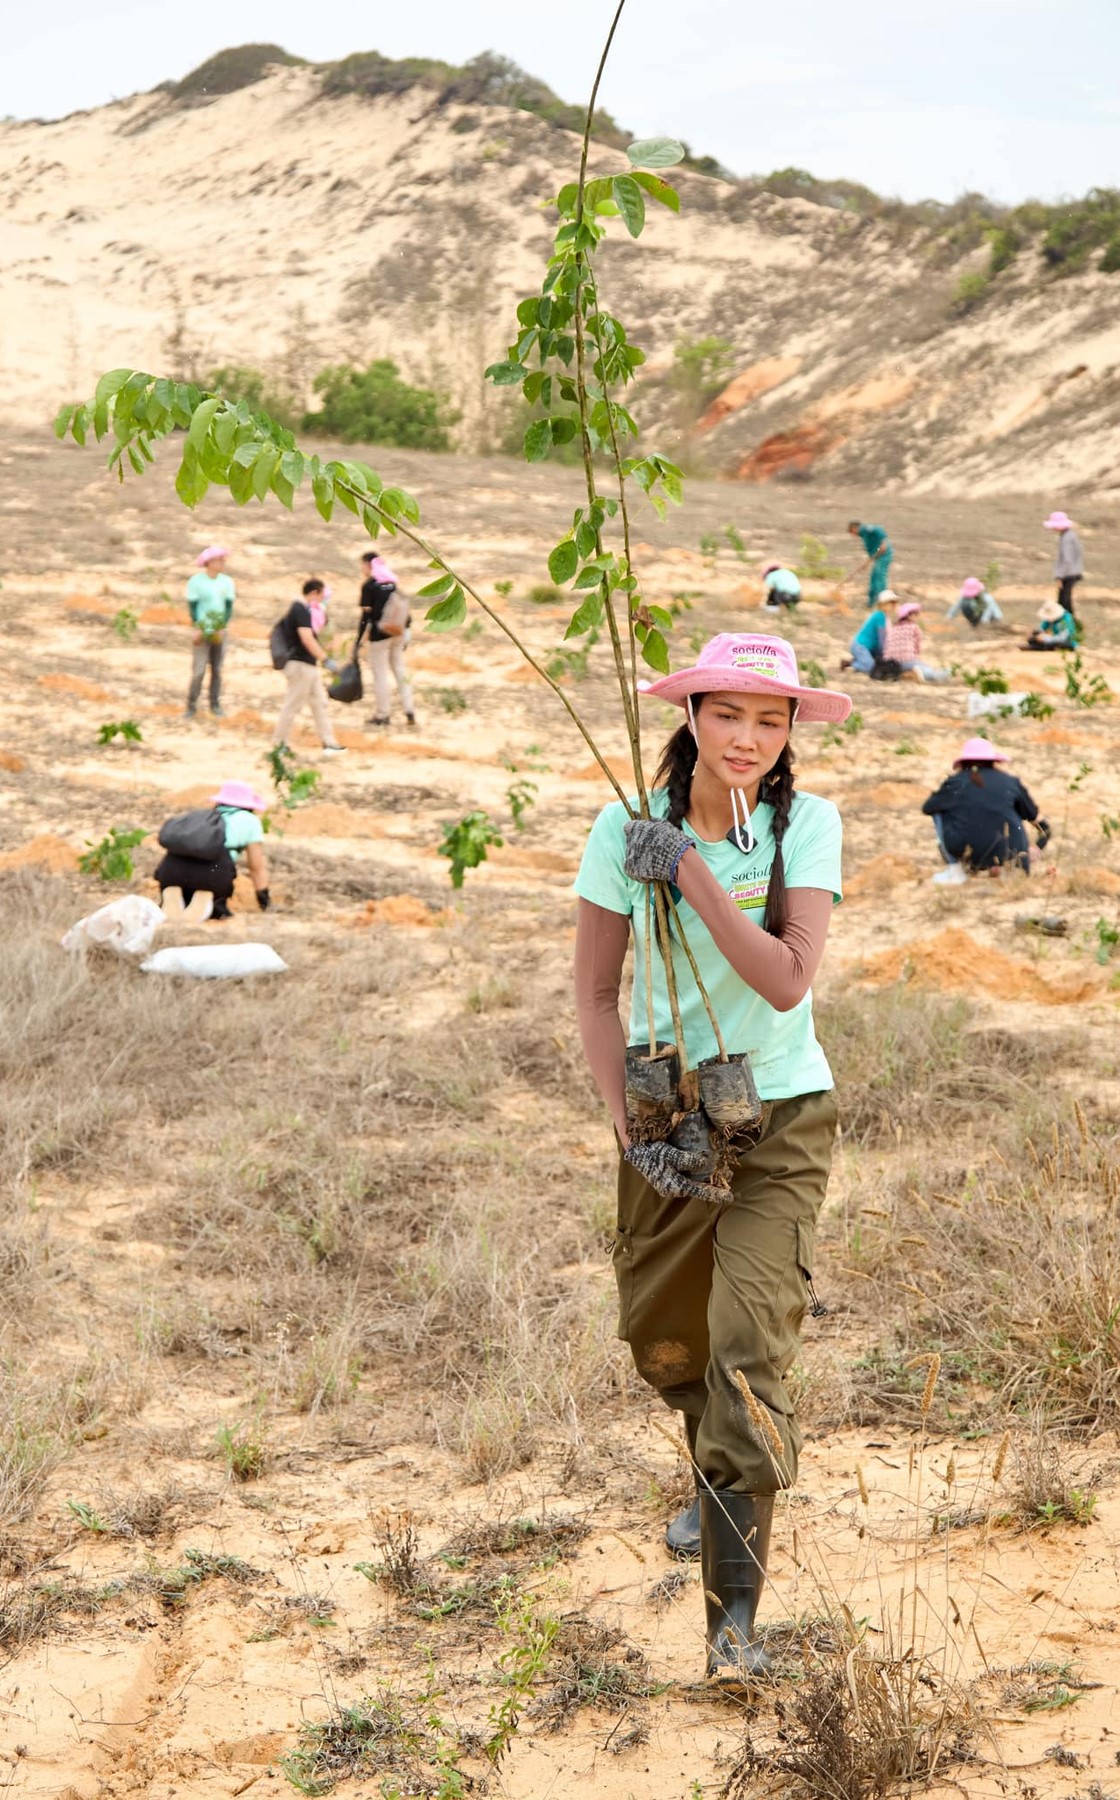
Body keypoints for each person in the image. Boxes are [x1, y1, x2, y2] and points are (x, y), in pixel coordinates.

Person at [573, 632, 849, 1686]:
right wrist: (624, 1122)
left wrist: (689, 873)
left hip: (781, 1116)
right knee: (664, 1337)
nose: (747, 737)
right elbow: (598, 994)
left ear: (788, 735)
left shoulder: (801, 827)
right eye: (727, 713)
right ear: (688, 717)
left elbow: (785, 980)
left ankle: (733, 1620)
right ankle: (711, 1466)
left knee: (745, 1348)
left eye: (769, 719)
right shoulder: (619, 828)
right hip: (668, 1115)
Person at [922, 738, 1049, 883]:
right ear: (993, 761)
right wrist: (1035, 847)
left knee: (939, 811)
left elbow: (928, 808)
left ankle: (955, 870)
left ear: (964, 763)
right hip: (1014, 857)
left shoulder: (955, 782)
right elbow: (1042, 825)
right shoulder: (1010, 782)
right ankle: (1003, 866)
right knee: (1011, 813)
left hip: (971, 856)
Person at [154, 780, 271, 919]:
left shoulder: (205, 818)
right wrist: (264, 900)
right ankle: (208, 901)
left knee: (180, 892)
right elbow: (256, 867)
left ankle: (175, 895)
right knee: (216, 909)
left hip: (171, 870)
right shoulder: (250, 821)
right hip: (212, 873)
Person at [275, 578, 346, 755]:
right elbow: (307, 638)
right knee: (292, 705)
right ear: (314, 593)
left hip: (308, 666)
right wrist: (325, 659)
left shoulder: (308, 611)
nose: (323, 599)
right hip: (299, 665)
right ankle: (279, 744)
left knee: (319, 703)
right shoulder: (299, 609)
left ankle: (329, 742)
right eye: (322, 595)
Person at [356, 552, 415, 728]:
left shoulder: (369, 586)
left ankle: (383, 714)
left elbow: (366, 616)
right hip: (397, 633)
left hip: (379, 636)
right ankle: (409, 709)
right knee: (400, 670)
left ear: (368, 565)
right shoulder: (391, 582)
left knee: (380, 675)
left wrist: (358, 640)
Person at [185, 546, 235, 719]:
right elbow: (193, 607)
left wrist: (222, 626)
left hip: (219, 630)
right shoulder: (196, 582)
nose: (222, 563)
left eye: (223, 560)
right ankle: (191, 705)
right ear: (209, 562)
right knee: (199, 669)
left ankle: (215, 704)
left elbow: (228, 607)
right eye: (219, 560)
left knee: (217, 669)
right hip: (202, 629)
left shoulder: (227, 582)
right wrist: (197, 627)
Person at [881, 600, 948, 682]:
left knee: (909, 668)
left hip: (890, 664)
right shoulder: (914, 627)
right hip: (908, 660)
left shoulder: (894, 627)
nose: (917, 616)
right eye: (915, 614)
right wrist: (918, 660)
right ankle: (941, 674)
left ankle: (906, 674)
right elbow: (917, 648)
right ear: (909, 616)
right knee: (926, 669)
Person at [840, 588, 895, 673]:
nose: (892, 605)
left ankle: (851, 662)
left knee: (873, 664)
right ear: (882, 604)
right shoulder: (880, 616)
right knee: (870, 667)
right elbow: (882, 638)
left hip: (868, 648)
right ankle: (853, 666)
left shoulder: (885, 617)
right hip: (861, 646)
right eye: (890, 602)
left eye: (894, 602)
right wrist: (882, 653)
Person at [1044, 510, 1084, 618]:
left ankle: (1069, 626)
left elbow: (1067, 560)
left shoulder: (1067, 538)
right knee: (1064, 600)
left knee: (1064, 602)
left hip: (1069, 573)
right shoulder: (1069, 536)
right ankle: (1070, 625)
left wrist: (1059, 576)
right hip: (1073, 571)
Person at [847, 519, 893, 608]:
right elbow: (873, 551)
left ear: (855, 528)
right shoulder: (863, 535)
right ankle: (871, 602)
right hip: (877, 556)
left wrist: (883, 541)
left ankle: (883, 601)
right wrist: (866, 563)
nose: (853, 535)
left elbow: (879, 531)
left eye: (852, 531)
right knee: (874, 578)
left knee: (879, 577)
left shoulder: (866, 529)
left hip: (884, 555)